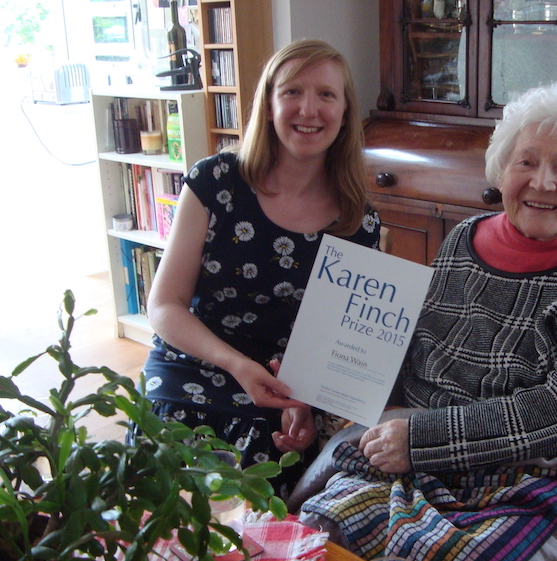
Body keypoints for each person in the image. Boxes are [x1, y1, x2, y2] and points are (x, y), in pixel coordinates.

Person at [294, 83, 557, 561]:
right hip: (413, 452)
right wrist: (321, 385)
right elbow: (412, 344)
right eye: (525, 161)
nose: (542, 182)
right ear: (502, 169)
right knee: (316, 537)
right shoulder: (464, 239)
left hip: (529, 471)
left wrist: (422, 438)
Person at [139, 39, 381, 498]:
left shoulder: (358, 219)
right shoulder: (215, 181)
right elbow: (164, 306)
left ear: (346, 112)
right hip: (192, 360)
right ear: (269, 105)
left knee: (270, 465)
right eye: (292, 92)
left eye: (326, 95)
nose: (308, 109)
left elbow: (335, 338)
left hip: (280, 382)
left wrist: (304, 401)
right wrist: (237, 365)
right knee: (164, 469)